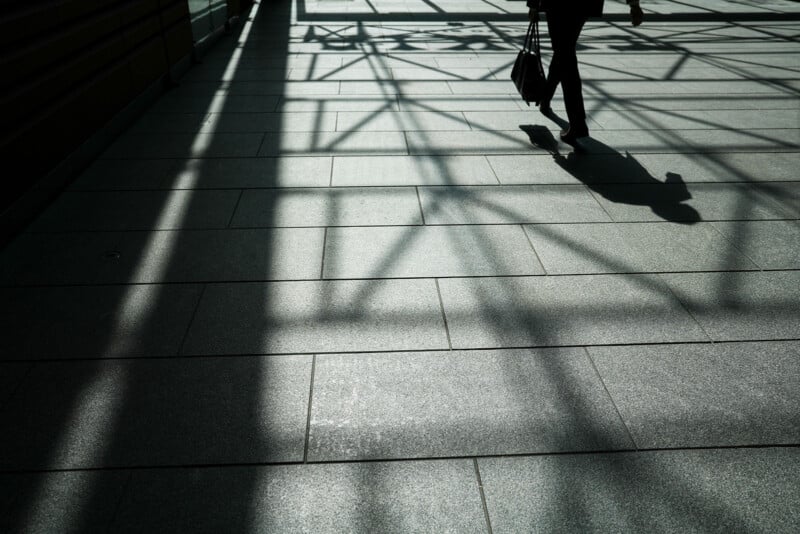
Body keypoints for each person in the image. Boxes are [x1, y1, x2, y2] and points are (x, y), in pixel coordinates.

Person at [528, 0, 644, 144]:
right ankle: (546, 99)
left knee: (564, 54)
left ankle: (577, 123)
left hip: (558, 5)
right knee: (563, 52)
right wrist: (634, 4)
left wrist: (533, 4)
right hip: (583, 4)